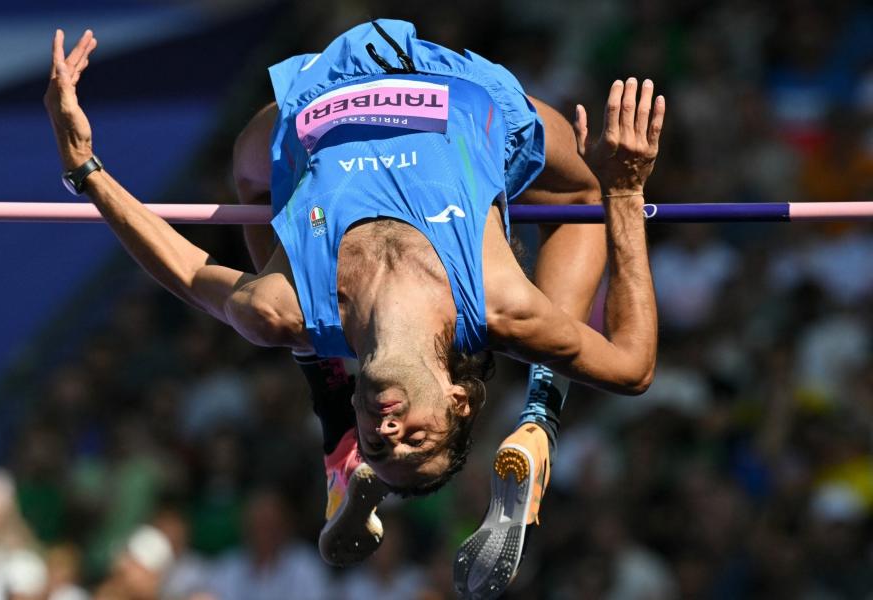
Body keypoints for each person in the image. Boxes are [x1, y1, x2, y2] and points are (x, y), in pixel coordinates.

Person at [44, 18, 663, 597]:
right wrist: (627, 189)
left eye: (379, 447)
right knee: (582, 187)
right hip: (451, 91)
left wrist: (86, 170)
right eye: (415, 440)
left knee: (251, 175)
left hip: (325, 94)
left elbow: (185, 270)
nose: (390, 434)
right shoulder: (500, 302)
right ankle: (541, 410)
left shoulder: (283, 306)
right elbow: (633, 367)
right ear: (460, 398)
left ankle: (328, 401)